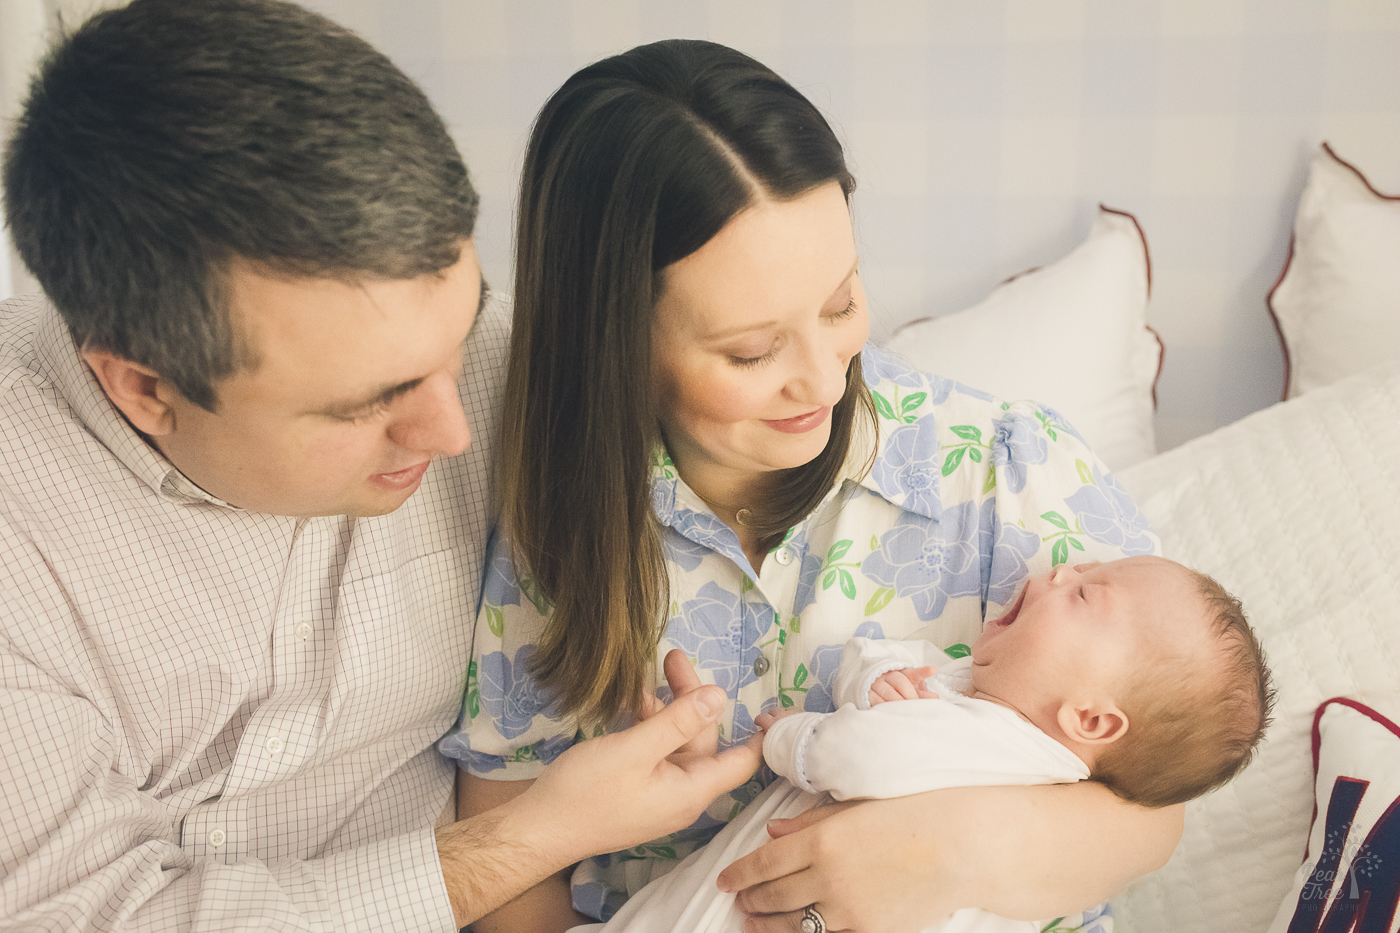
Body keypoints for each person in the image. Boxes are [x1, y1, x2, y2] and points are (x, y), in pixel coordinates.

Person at [0, 3, 762, 930]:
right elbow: (81, 915)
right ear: (143, 388)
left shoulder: (505, 356)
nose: (452, 432)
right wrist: (529, 839)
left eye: (461, 331)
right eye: (366, 403)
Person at [445, 38, 1184, 933]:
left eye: (840, 304)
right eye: (752, 351)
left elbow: (1152, 806)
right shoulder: (563, 526)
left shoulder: (1010, 474)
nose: (826, 383)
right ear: (616, 340)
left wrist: (935, 853)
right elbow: (508, 851)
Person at [566, 556, 1275, 933]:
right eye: (1083, 569)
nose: (1061, 571)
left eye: (1088, 596)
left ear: (1091, 720)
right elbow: (872, 660)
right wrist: (880, 679)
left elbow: (861, 757)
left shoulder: (1006, 743)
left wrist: (785, 735)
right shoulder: (978, 689)